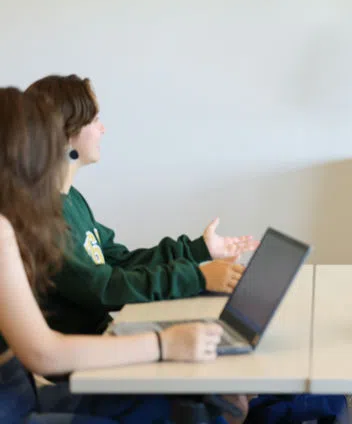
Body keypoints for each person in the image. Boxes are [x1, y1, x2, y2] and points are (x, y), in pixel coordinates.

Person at [0, 86, 236, 423]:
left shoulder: (37, 213)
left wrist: (196, 253)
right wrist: (163, 344)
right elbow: (44, 353)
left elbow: (115, 259)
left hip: (23, 395)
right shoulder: (8, 227)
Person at [25, 75, 258, 336]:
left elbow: (120, 262)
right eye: (95, 120)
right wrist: (196, 277)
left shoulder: (72, 199)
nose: (103, 129)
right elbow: (102, 288)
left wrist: (198, 250)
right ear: (68, 133)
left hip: (104, 336)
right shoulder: (43, 216)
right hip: (82, 357)